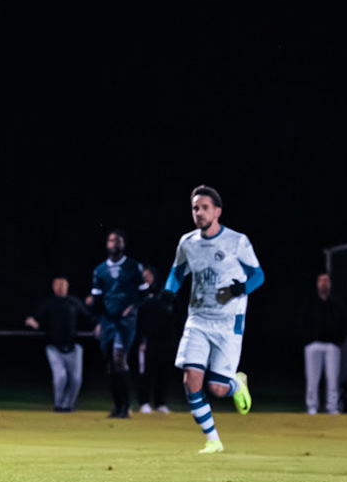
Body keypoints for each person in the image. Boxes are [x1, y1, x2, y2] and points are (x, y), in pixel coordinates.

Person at [166, 184, 263, 453]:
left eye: (204, 207)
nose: (199, 212)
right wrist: (167, 293)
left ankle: (235, 383)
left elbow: (258, 276)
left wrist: (237, 289)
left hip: (228, 321)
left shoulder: (236, 241)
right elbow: (177, 273)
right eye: (195, 207)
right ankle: (213, 440)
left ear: (217, 211)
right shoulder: (188, 243)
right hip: (197, 319)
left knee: (217, 388)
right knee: (191, 381)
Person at [86, 230, 150, 419]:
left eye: (118, 240)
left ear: (123, 245)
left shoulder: (133, 267)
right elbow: (97, 300)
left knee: (119, 359)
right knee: (111, 364)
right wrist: (97, 322)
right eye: (112, 240)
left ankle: (125, 407)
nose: (115, 243)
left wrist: (133, 308)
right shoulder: (100, 270)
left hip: (125, 321)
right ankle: (117, 406)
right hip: (107, 321)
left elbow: (144, 295)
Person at [25, 277, 91, 412]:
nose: (60, 287)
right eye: (57, 285)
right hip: (54, 347)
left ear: (67, 287)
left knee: (76, 379)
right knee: (60, 376)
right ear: (53, 287)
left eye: (63, 285)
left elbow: (88, 317)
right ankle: (59, 404)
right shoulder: (48, 303)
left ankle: (69, 404)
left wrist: (98, 325)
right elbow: (35, 318)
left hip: (73, 346)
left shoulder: (73, 302)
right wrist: (32, 322)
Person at [133, 265, 177, 414]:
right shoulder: (139, 294)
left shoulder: (163, 294)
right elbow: (137, 318)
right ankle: (144, 402)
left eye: (149, 275)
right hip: (147, 341)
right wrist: (140, 340)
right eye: (144, 276)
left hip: (164, 340)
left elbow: (173, 317)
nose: (146, 278)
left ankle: (160, 403)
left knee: (163, 372)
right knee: (146, 372)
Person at [303, 273, 347, 415]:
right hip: (313, 345)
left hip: (331, 346)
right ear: (317, 284)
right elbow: (301, 322)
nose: (324, 284)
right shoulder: (309, 304)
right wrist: (307, 340)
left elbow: (343, 324)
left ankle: (332, 407)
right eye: (321, 281)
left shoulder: (335, 305)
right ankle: (312, 406)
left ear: (330, 284)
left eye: (326, 281)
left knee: (333, 378)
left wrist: (337, 341)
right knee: (312, 378)